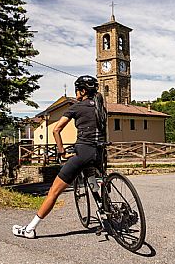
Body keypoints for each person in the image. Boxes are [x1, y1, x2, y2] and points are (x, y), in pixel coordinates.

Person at [12, 75, 107, 239]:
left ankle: (29, 229)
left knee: (53, 192)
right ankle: (105, 213)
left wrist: (62, 151)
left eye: (77, 89)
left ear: (83, 91)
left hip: (83, 152)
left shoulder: (76, 107)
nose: (76, 92)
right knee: (92, 176)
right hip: (100, 153)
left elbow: (56, 130)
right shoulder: (100, 107)